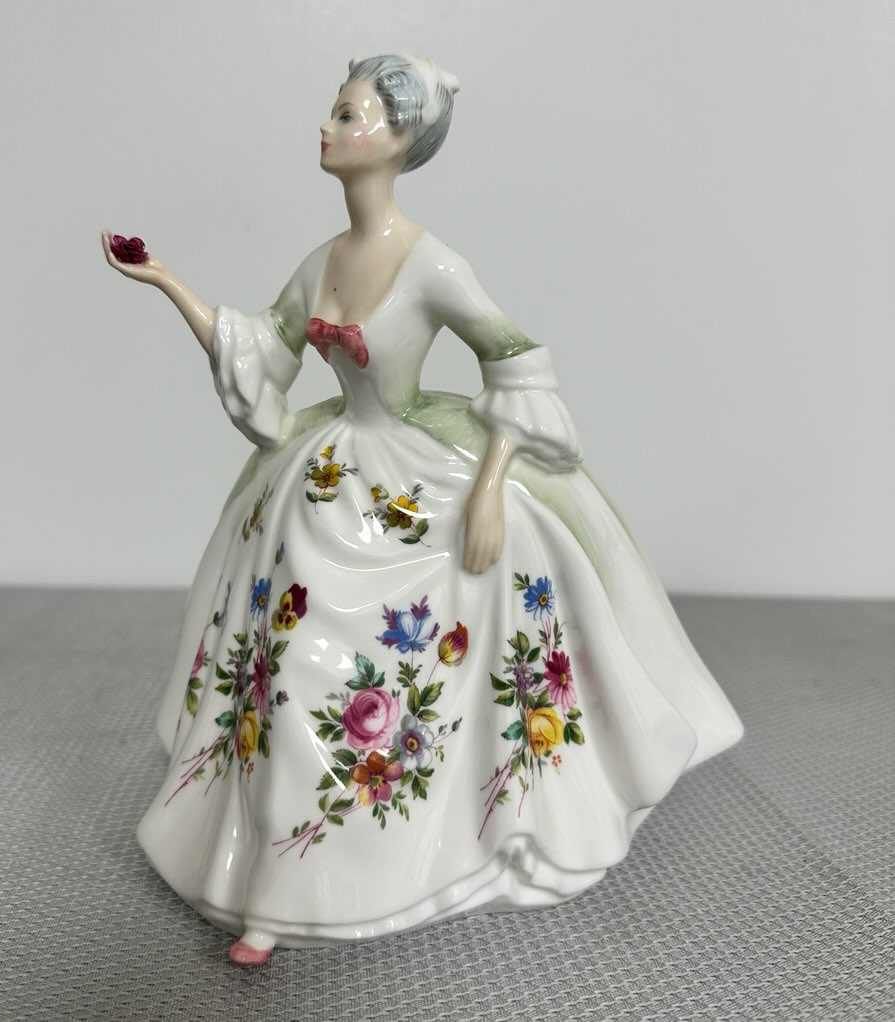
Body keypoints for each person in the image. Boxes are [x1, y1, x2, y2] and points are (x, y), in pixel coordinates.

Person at [101, 52, 744, 967]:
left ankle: (406, 849)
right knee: (283, 650)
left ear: (398, 137)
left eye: (349, 113)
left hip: (413, 467)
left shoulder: (433, 262)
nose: (327, 127)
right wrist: (167, 281)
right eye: (332, 110)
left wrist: (488, 488)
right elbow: (261, 353)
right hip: (329, 469)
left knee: (446, 615)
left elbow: (517, 362)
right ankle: (272, 885)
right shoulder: (322, 261)